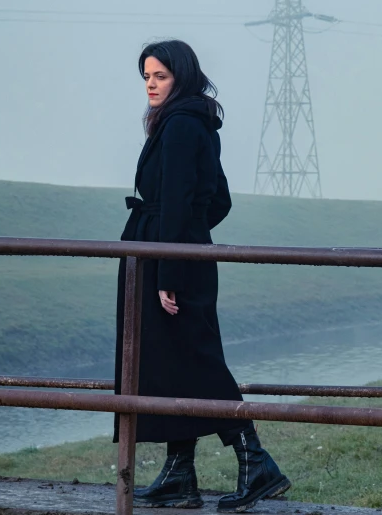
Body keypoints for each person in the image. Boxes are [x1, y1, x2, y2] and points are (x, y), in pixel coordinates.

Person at [114, 39, 290, 511]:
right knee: (175, 357)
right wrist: (190, 236)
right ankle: (180, 473)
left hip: (167, 258)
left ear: (182, 77)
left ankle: (257, 462)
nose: (151, 85)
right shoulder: (190, 121)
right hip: (171, 250)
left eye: (160, 77)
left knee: (195, 358)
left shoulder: (181, 125)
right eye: (147, 77)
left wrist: (171, 263)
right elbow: (218, 200)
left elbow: (178, 199)